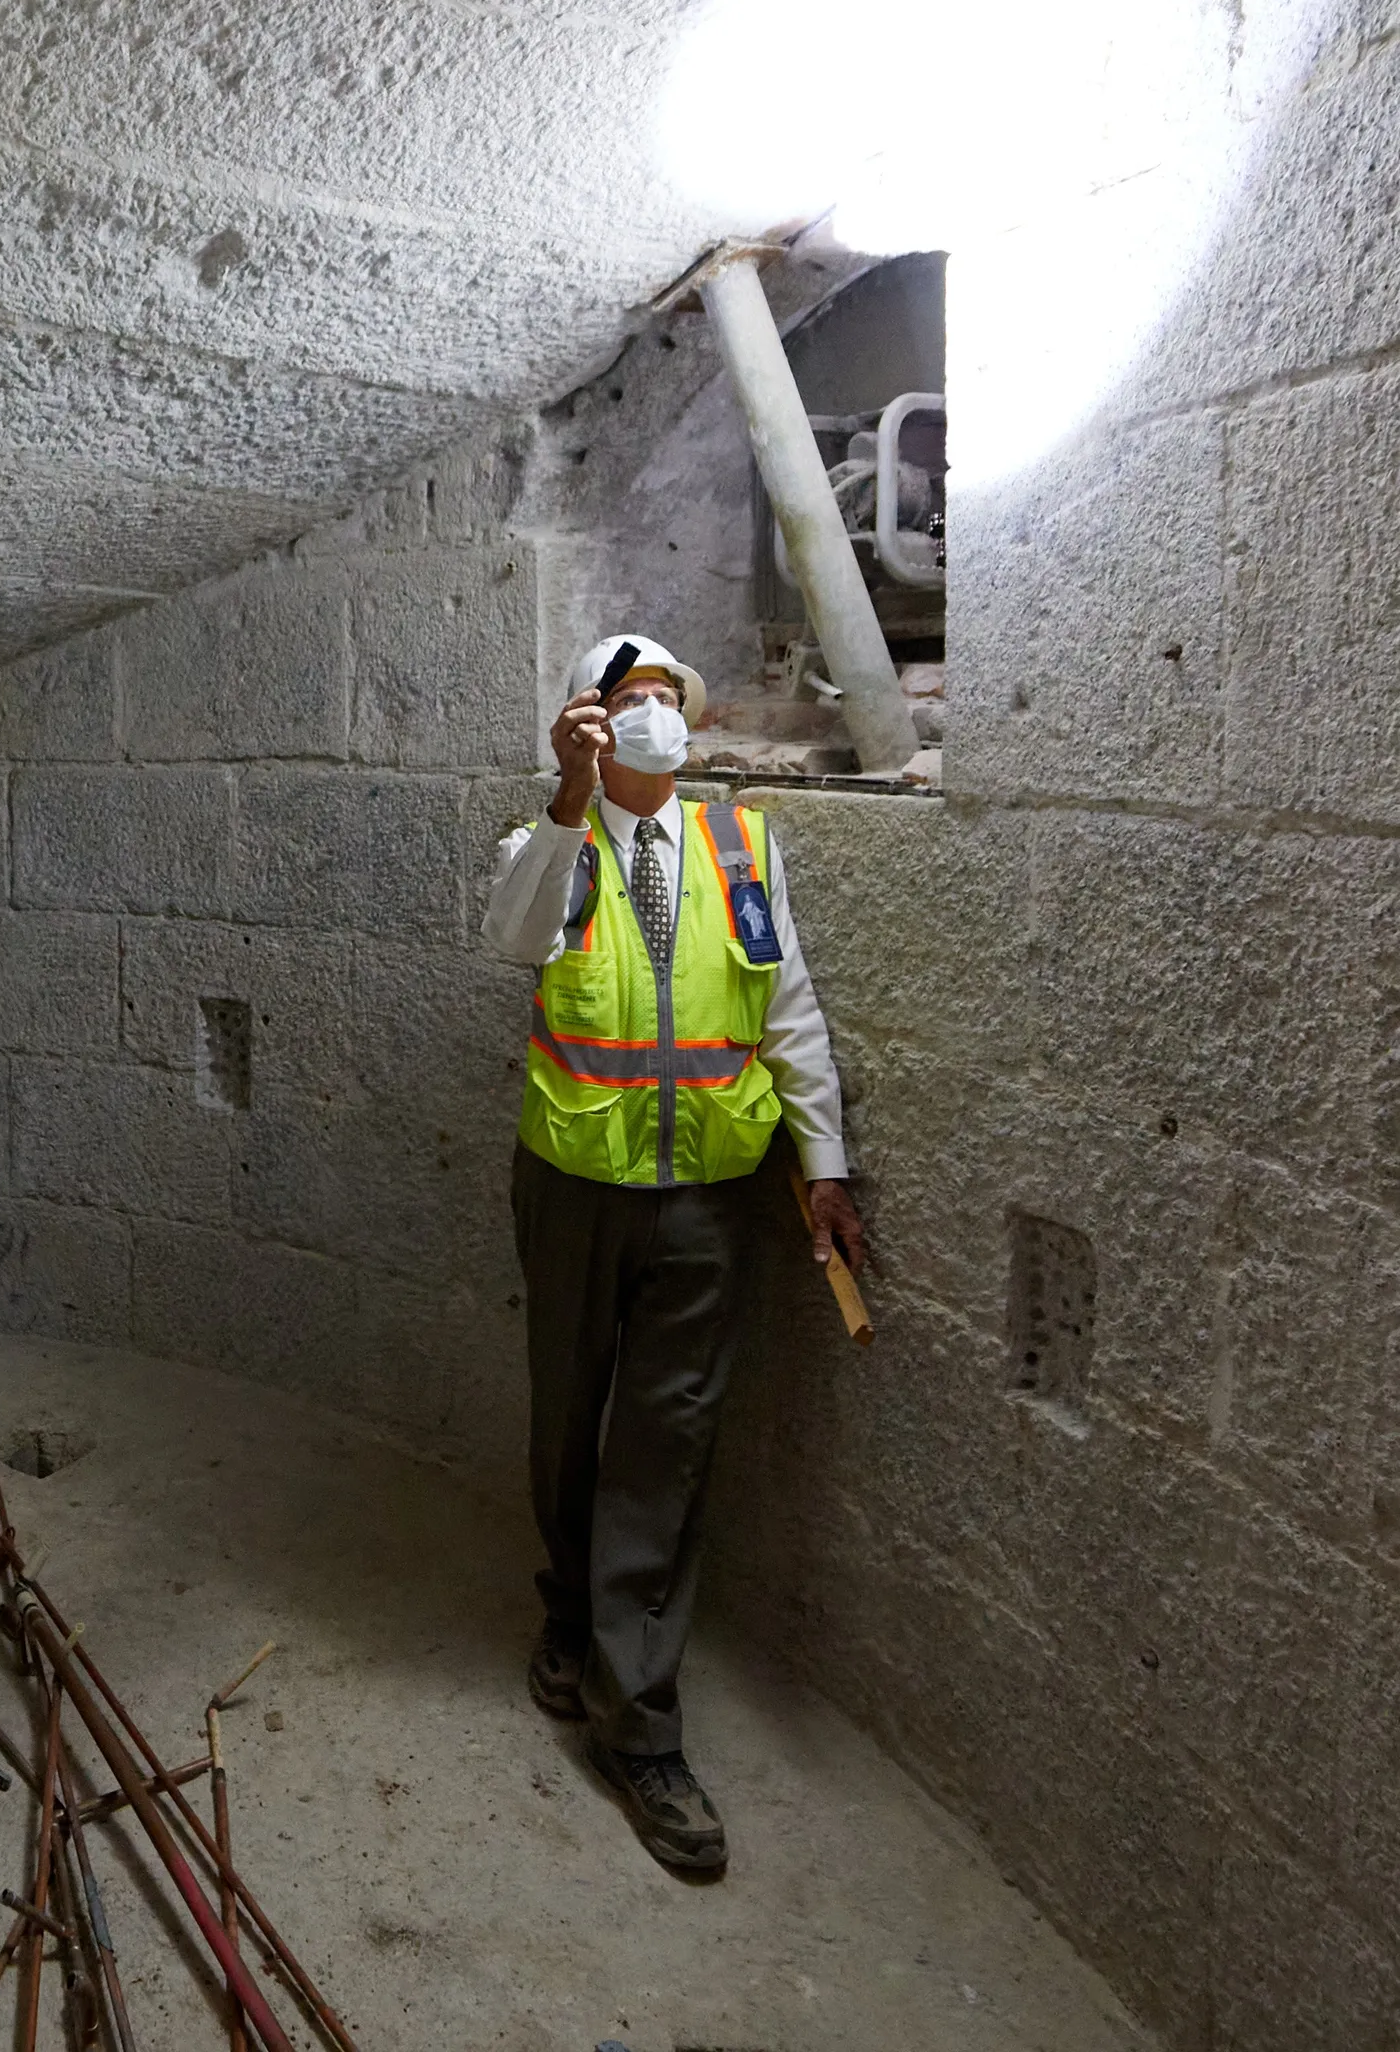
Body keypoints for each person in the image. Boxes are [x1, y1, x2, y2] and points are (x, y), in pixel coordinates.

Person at [476, 632, 867, 1876]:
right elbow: (514, 937)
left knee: (666, 1439)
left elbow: (786, 1001)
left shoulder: (742, 846)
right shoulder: (552, 844)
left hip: (708, 1194)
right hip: (576, 1189)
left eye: (664, 699)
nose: (651, 715)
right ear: (586, 721)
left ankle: (637, 1723)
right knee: (567, 1423)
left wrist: (825, 1164)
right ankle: (569, 1621)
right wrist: (567, 802)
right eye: (624, 699)